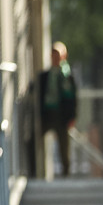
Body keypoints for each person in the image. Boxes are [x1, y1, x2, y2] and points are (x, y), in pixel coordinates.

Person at [39, 43, 78, 177]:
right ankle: (34, 170)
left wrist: (72, 116)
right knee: (35, 138)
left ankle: (66, 172)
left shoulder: (66, 75)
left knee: (63, 145)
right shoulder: (45, 75)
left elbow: (72, 98)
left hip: (61, 115)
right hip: (47, 114)